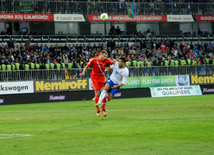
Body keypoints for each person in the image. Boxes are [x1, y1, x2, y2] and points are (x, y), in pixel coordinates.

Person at [79, 50, 116, 116]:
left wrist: (114, 62)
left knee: (103, 93)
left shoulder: (106, 60)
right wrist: (83, 72)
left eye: (106, 56)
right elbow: (86, 66)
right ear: (100, 55)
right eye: (104, 56)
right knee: (96, 93)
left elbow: (113, 64)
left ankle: (103, 109)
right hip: (94, 78)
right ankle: (98, 111)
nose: (105, 57)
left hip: (102, 78)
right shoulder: (93, 60)